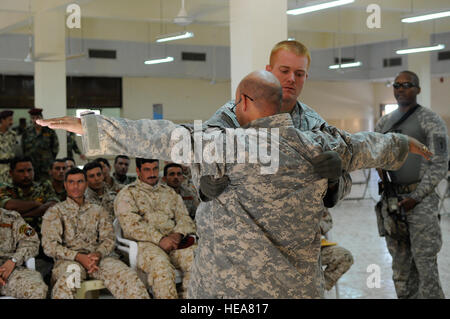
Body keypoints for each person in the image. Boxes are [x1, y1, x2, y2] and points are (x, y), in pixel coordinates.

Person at [37, 70, 432, 298]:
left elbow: (162, 136)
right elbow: (368, 145)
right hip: (299, 287)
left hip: (231, 290)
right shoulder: (321, 143)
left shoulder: (228, 144)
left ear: (242, 101)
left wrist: (89, 124)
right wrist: (405, 144)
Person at [201, 40, 351, 208]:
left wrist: (334, 180)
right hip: (240, 226)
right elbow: (198, 163)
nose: (292, 79)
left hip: (296, 225)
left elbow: (337, 192)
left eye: (299, 73)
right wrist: (204, 184)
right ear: (269, 71)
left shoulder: (314, 125)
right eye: (285, 71)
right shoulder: (232, 116)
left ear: (306, 77)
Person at [374, 70, 448, 299]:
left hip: (420, 204)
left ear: (418, 89)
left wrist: (415, 197)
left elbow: (440, 163)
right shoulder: (384, 122)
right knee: (401, 270)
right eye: (396, 85)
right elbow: (373, 153)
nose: (400, 89)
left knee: (426, 268)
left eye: (406, 85)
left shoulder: (431, 120)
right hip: (393, 204)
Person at [41, 167, 150, 299]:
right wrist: (79, 257)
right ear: (65, 185)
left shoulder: (98, 210)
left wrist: (98, 254)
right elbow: (49, 246)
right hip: (69, 262)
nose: (75, 186)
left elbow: (109, 239)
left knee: (130, 278)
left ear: (86, 184)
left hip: (99, 259)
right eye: (71, 182)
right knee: (67, 285)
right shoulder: (55, 212)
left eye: (80, 182)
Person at [114, 158, 197, 299]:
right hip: (146, 244)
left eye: (155, 169)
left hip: (174, 242)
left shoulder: (170, 193)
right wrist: (160, 239)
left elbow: (184, 218)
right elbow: (132, 226)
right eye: (147, 169)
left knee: (198, 258)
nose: (152, 173)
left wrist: (177, 235)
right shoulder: (127, 194)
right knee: (161, 267)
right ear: (138, 171)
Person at [0, 207, 48, 299]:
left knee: (37, 289)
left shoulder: (12, 218)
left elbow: (31, 242)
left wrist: (14, 260)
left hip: (10, 271)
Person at [319, 209, 354, 291]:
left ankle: (320, 287)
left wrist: (314, 227)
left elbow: (327, 221)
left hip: (315, 250)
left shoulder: (314, 200)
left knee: (345, 257)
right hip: (287, 252)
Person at [22, 108, 59, 182]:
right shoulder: (27, 132)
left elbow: (55, 147)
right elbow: (23, 148)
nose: (35, 120)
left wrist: (50, 161)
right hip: (31, 166)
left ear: (42, 118)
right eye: (33, 118)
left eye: (37, 117)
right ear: (30, 119)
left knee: (46, 186)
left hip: (46, 166)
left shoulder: (49, 131)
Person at [0, 110, 20, 184]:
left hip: (10, 168)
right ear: (2, 120)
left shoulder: (13, 135)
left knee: (10, 190)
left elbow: (17, 150)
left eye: (12, 119)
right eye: (9, 120)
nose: (12, 122)